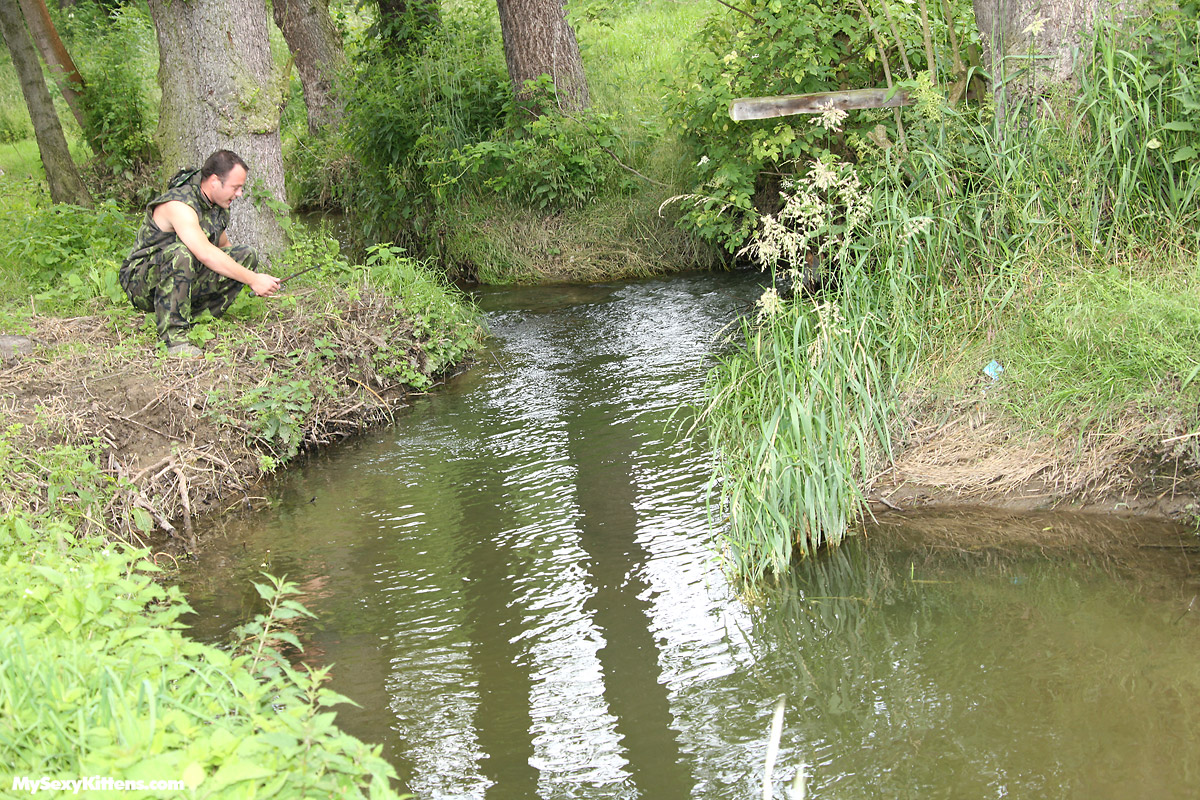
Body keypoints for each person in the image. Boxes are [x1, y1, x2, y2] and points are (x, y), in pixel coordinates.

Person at [120, 150, 281, 357]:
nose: (239, 194)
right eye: (235, 187)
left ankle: (198, 318)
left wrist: (250, 275)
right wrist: (252, 279)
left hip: (181, 275)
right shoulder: (179, 205)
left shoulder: (216, 205)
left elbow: (223, 246)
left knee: (245, 255)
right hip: (141, 283)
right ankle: (173, 339)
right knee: (181, 254)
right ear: (214, 181)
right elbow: (204, 252)